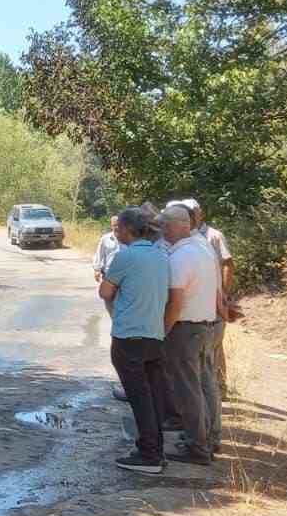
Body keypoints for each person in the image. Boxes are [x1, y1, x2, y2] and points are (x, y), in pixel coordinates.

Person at [98, 207, 173, 474]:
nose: (116, 232)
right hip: (154, 333)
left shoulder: (125, 256)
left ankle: (149, 454)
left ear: (129, 230)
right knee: (153, 395)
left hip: (129, 335)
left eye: (119, 228)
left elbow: (105, 291)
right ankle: (157, 450)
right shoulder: (161, 254)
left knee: (139, 397)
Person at [160, 203, 222, 463]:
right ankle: (210, 438)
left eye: (164, 225)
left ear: (175, 226)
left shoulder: (180, 257)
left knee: (188, 390)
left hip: (185, 329)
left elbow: (175, 303)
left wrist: (163, 331)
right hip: (205, 325)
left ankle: (197, 446)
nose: (162, 230)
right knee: (205, 384)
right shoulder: (203, 248)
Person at [180, 197, 235, 396]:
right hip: (198, 301)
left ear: (200, 213)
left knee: (214, 347)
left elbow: (228, 263)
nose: (191, 215)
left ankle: (220, 388)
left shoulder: (213, 236)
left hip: (214, 301)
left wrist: (224, 293)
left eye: (193, 212)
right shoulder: (185, 237)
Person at [92, 215, 122, 284]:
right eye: (114, 225)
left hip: (123, 274)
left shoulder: (127, 238)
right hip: (108, 274)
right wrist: (97, 270)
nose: (117, 227)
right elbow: (99, 254)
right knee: (107, 294)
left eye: (118, 225)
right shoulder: (105, 239)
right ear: (111, 226)